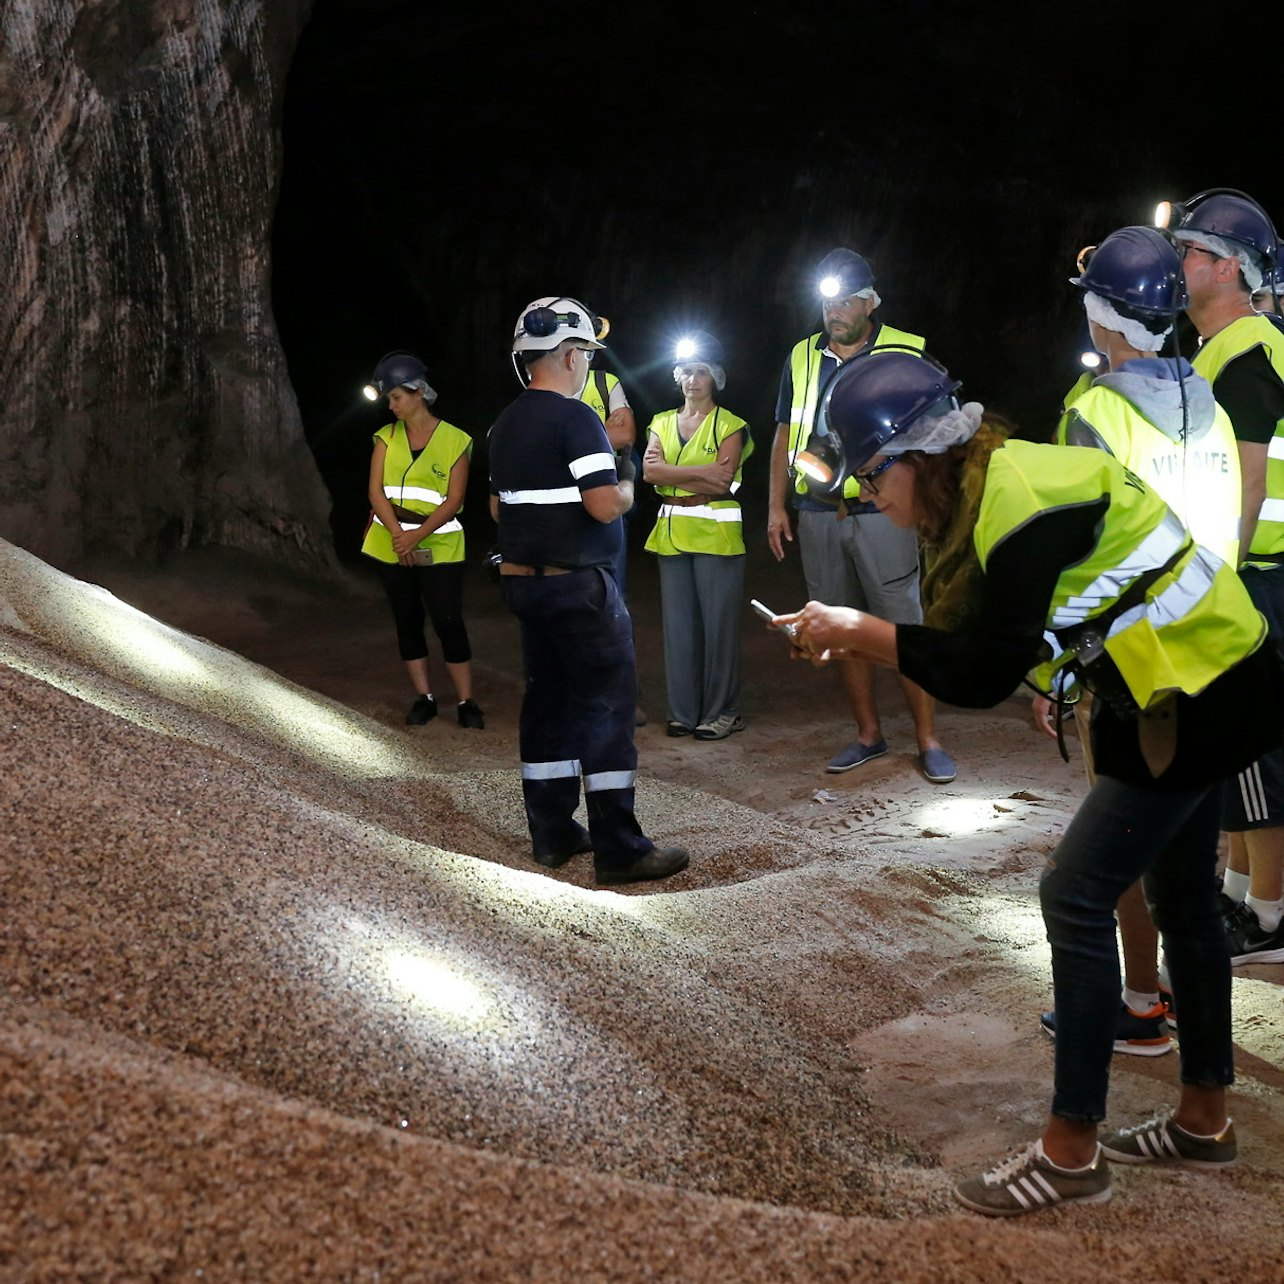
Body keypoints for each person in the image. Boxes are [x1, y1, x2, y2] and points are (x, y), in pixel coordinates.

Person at [777, 349, 1281, 1216]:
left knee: (1074, 897)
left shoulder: (1016, 496)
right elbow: (1067, 608)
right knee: (1184, 903)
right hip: (1179, 679)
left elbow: (977, 670)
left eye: (871, 474)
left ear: (916, 454)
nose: (868, 495)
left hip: (1195, 691)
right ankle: (1204, 1120)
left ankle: (1071, 1151)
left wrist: (860, 628)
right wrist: (1058, 681)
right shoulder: (998, 482)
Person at [1038, 226, 1242, 1058]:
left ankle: (1138, 1003)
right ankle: (1201, 1049)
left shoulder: (1093, 415)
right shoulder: (1209, 399)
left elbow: (1074, 554)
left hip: (1132, 667)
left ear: (1103, 317)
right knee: (1191, 869)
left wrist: (1059, 672)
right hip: (1216, 654)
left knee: (1116, 850)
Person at [488, 296, 688, 886]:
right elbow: (603, 506)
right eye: (587, 354)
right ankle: (620, 849)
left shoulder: (504, 424)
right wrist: (627, 484)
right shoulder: (578, 419)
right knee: (605, 709)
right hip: (580, 589)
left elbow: (500, 507)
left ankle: (551, 834)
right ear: (573, 355)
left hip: (524, 587)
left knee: (546, 703)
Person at [766, 247, 954, 783]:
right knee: (837, 625)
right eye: (828, 301)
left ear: (871, 303)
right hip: (819, 510)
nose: (835, 311)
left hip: (883, 512)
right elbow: (784, 433)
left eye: (847, 299)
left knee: (904, 627)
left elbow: (938, 437)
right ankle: (869, 735)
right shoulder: (801, 356)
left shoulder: (906, 350)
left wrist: (926, 505)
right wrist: (777, 504)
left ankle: (928, 739)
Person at [1168, 190, 1284, 966]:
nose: (1178, 267)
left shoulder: (1245, 349)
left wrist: (1216, 581)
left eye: (1190, 253)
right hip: (1262, 572)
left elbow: (1243, 485)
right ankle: (1243, 892)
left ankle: (1268, 914)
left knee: (1253, 749)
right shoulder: (1235, 348)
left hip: (1256, 574)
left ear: (1229, 266)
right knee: (1243, 750)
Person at [360, 350, 484, 729]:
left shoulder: (455, 440)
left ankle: (466, 702)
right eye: (388, 399)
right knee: (407, 619)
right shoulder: (385, 436)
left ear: (418, 393)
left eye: (396, 397)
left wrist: (417, 536)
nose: (391, 405)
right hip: (390, 541)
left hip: (439, 543)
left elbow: (455, 499)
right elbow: (375, 492)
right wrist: (400, 536)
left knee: (448, 621)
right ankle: (424, 698)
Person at [642, 331, 753, 740]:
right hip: (672, 534)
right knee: (679, 629)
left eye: (701, 372)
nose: (693, 380)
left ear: (715, 377)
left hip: (717, 536)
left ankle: (723, 711)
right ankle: (683, 713)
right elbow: (649, 474)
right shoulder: (660, 422)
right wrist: (699, 473)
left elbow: (723, 483)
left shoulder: (731, 425)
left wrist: (674, 474)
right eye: (687, 371)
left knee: (718, 628)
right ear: (677, 376)